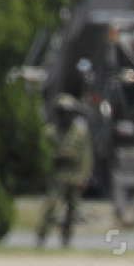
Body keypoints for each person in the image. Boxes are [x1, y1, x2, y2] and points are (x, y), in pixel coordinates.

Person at [35, 94, 93, 249]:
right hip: (57, 175)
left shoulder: (80, 133)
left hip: (74, 175)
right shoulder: (50, 132)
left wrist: (84, 176)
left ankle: (66, 240)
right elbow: (43, 155)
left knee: (72, 210)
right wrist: (58, 156)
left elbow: (86, 157)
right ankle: (41, 237)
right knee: (50, 207)